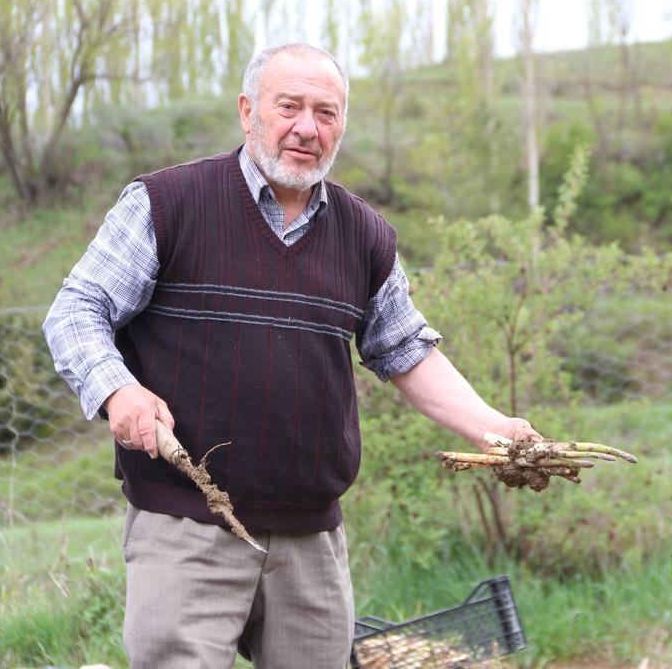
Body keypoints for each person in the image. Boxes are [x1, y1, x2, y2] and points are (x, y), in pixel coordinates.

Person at [42, 43, 541, 669]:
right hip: (187, 528)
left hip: (311, 539)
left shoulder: (364, 236)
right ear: (249, 111)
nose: (308, 127)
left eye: (326, 113)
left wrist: (497, 429)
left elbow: (406, 350)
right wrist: (119, 390)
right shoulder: (167, 205)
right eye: (290, 107)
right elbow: (76, 311)